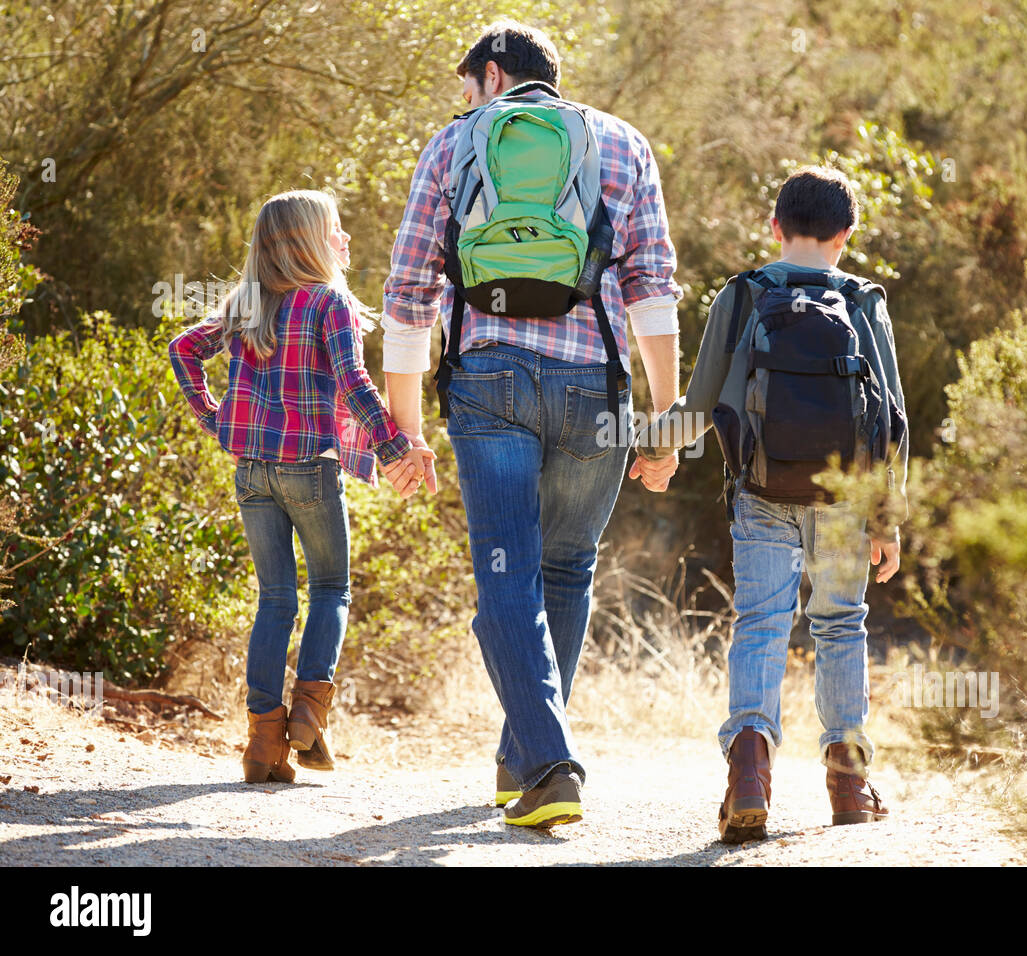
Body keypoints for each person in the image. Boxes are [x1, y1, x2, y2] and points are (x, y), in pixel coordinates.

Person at [381, 21, 682, 828]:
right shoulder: (621, 144)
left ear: (489, 75)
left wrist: (402, 428)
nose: (464, 98)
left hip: (489, 383)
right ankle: (525, 760)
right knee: (568, 568)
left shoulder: (452, 147)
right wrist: (666, 416)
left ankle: (548, 763)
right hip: (597, 389)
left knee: (505, 576)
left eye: (465, 83)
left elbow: (408, 291)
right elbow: (654, 282)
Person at [632, 166, 909, 842]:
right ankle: (848, 780)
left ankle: (749, 770)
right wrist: (887, 519)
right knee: (840, 623)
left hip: (758, 492)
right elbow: (893, 418)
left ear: (775, 227)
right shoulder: (865, 300)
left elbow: (698, 405)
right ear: (846, 235)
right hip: (843, 496)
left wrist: (652, 447)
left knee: (761, 624)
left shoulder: (744, 293)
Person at [168, 189, 433, 784]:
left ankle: (263, 745)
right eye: (335, 229)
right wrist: (396, 448)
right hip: (308, 469)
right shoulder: (328, 303)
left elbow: (182, 348)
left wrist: (217, 418)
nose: (344, 239)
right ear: (311, 239)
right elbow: (356, 383)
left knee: (275, 599)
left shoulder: (247, 301)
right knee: (333, 587)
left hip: (252, 472)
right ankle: (310, 712)